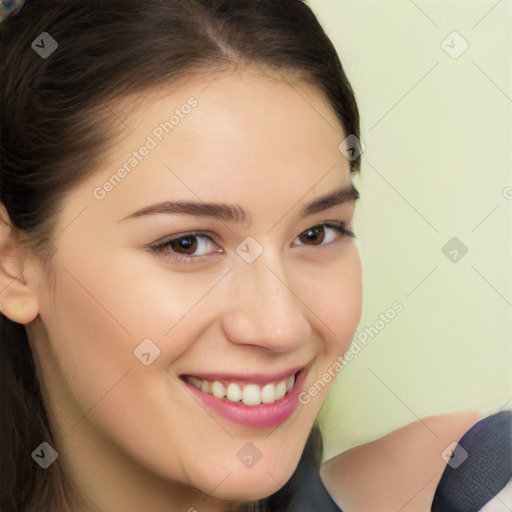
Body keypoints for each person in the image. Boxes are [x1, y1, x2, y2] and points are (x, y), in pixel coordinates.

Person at [0, 1, 510, 511]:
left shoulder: (471, 482)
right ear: (11, 264)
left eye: (317, 233)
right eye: (188, 244)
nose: (281, 326)